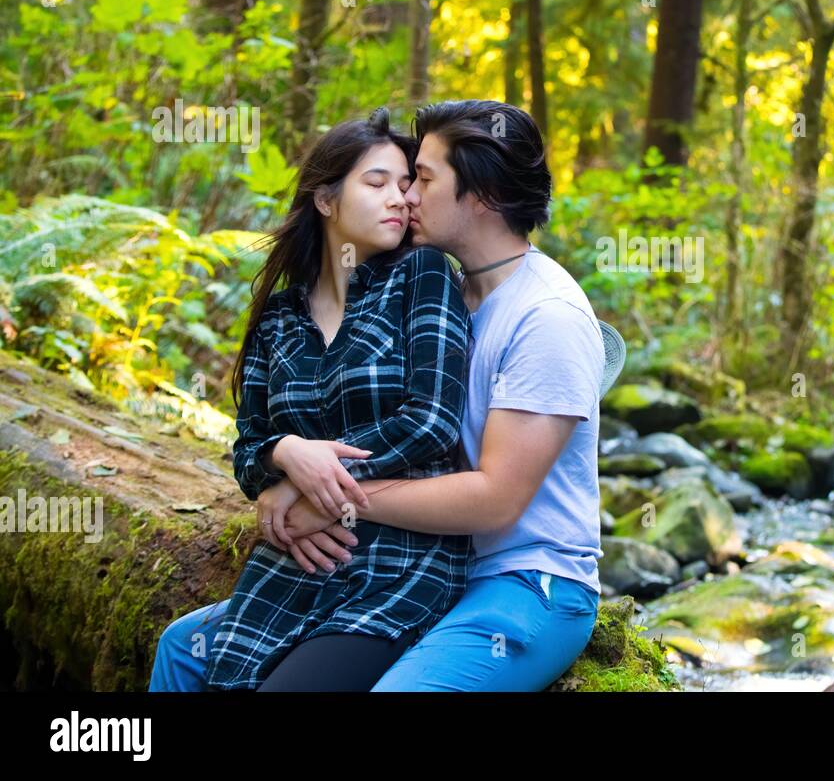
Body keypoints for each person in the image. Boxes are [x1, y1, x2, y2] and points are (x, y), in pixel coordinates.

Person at [152, 99, 605, 692]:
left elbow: (495, 500)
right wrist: (286, 463)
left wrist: (327, 496)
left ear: (483, 194)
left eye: (423, 177)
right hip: (429, 558)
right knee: (186, 650)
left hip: (527, 581)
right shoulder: (443, 292)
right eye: (394, 180)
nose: (408, 195)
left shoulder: (547, 316)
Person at [149, 107, 473, 691]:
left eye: (406, 185)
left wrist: (308, 480)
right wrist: (284, 453)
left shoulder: (423, 275)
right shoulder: (279, 317)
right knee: (204, 667)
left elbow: (431, 421)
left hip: (402, 557)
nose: (399, 198)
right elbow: (248, 446)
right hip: (295, 561)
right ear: (325, 200)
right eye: (376, 183)